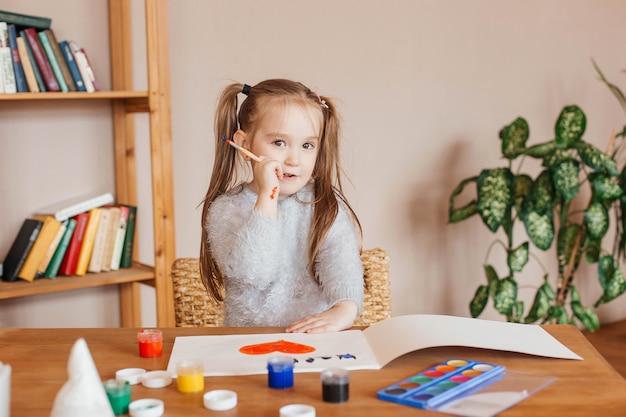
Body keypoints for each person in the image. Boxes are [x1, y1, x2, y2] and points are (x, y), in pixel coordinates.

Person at [199, 79, 364, 333]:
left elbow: (341, 264)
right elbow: (253, 273)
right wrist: (268, 196)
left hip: (313, 341)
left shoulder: (324, 206)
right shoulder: (226, 209)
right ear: (244, 145)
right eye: (279, 143)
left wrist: (344, 309)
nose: (294, 159)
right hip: (247, 342)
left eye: (307, 145)